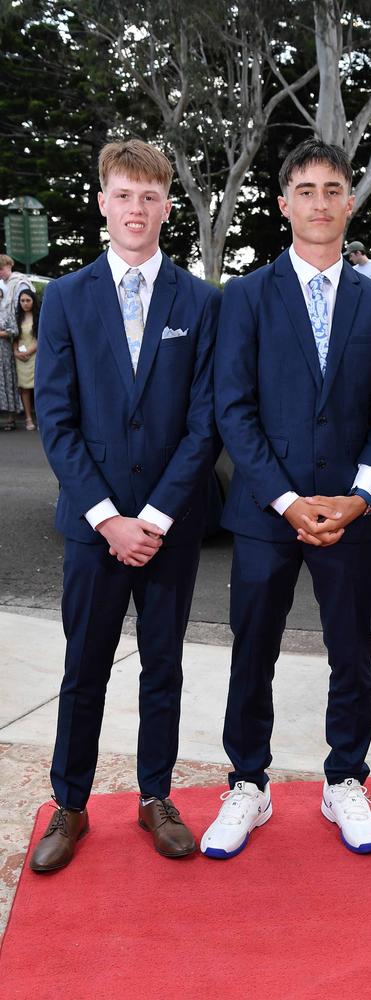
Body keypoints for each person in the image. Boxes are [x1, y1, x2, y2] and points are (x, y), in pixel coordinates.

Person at [202, 138, 371, 859]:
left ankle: (344, 779)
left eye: (332, 189)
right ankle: (247, 785)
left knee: (351, 651)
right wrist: (287, 499)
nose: (320, 202)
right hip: (265, 513)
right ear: (284, 203)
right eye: (305, 189)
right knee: (251, 651)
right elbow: (234, 409)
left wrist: (357, 496)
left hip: (350, 514)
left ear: (349, 201)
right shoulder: (247, 297)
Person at [29, 139, 221, 873]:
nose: (136, 209)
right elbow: (57, 415)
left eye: (149, 197)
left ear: (166, 207)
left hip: (170, 529)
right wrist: (108, 518)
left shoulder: (200, 303)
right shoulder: (68, 298)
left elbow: (205, 422)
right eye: (123, 195)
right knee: (85, 667)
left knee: (163, 667)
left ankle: (155, 798)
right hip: (93, 528)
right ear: (103, 202)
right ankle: (70, 805)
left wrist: (158, 518)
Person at [0, 254, 33, 430]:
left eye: (1, 269)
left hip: (25, 336)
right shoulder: (5, 286)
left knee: (29, 383)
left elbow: (24, 309)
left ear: (8, 266)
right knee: (20, 383)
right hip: (13, 342)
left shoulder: (19, 282)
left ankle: (29, 418)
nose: (0, 273)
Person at [14, 289, 39, 430]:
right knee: (24, 389)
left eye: (28, 300)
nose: (25, 303)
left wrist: (30, 351)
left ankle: (41, 418)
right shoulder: (17, 317)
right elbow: (14, 337)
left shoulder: (38, 316)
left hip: (35, 355)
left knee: (38, 387)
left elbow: (41, 337)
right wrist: (16, 352)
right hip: (21, 358)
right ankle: (28, 418)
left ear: (33, 301)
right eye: (22, 300)